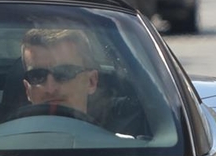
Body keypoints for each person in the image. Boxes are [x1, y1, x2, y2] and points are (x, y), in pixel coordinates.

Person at [7, 24, 143, 135]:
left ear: (91, 81)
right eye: (37, 76)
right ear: (27, 89)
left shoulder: (126, 149)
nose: (51, 88)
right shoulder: (0, 149)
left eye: (64, 72)